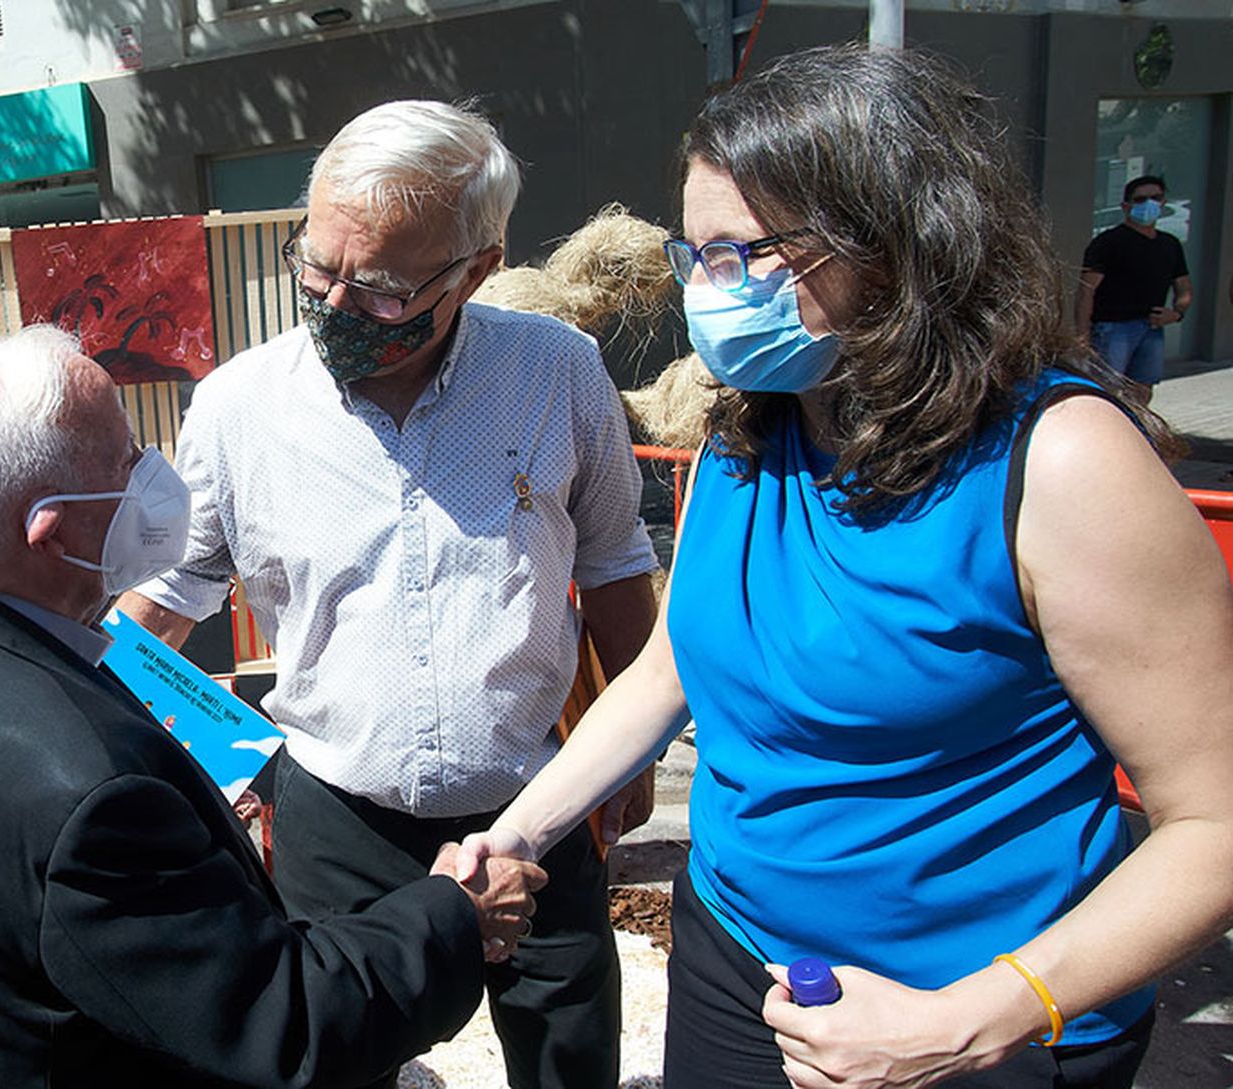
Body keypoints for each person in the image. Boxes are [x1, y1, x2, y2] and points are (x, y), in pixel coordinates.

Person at [458, 45, 1233, 1089]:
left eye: (739, 254)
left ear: (892, 243)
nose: (707, 294)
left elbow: (1214, 824)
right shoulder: (751, 427)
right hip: (738, 954)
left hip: (978, 1011)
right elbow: (672, 670)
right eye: (694, 258)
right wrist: (515, 835)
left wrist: (975, 1019)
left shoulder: (1064, 463)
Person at [0, 325, 547, 1089]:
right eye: (125, 457)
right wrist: (455, 915)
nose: (155, 473)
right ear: (51, 530)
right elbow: (285, 1025)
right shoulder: (87, 797)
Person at [120, 100, 660, 1089]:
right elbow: (155, 613)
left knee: (568, 1057)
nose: (331, 303)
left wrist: (629, 750)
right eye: (314, 268)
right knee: (335, 1066)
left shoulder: (557, 374)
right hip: (335, 819)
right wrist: (230, 761)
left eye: (374, 289)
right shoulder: (239, 408)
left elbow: (615, 560)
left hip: (535, 801)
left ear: (475, 270)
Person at [1077, 174, 1193, 396]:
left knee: (1143, 390)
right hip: (1112, 329)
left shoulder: (1170, 244)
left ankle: (1137, 428)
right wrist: (1082, 336)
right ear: (1125, 206)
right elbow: (1086, 291)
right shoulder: (1108, 242)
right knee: (1106, 390)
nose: (1149, 204)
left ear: (1163, 203)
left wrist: (1177, 313)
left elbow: (1184, 286)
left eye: (1155, 197)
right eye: (1141, 199)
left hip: (1152, 328)